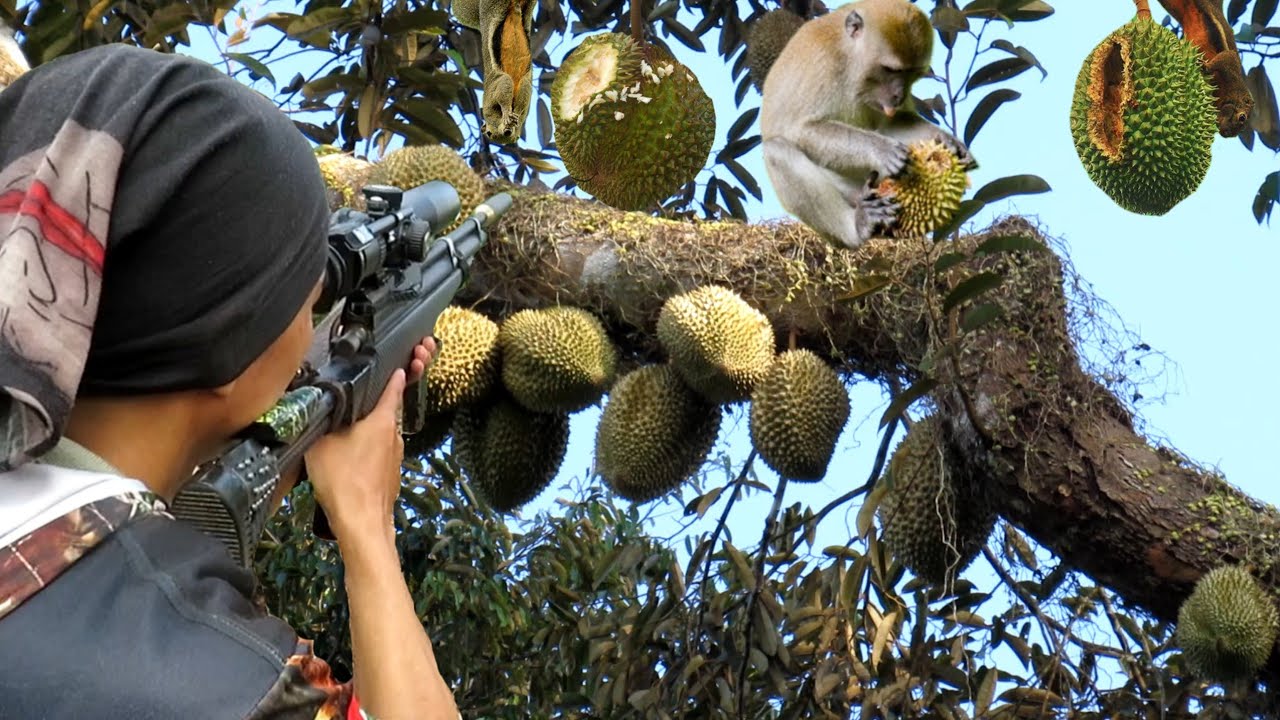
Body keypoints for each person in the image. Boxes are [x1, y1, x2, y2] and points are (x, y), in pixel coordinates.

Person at [0, 43, 459, 719]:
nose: (313, 317)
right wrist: (365, 523)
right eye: (306, 296)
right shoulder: (234, 683)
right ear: (230, 341)